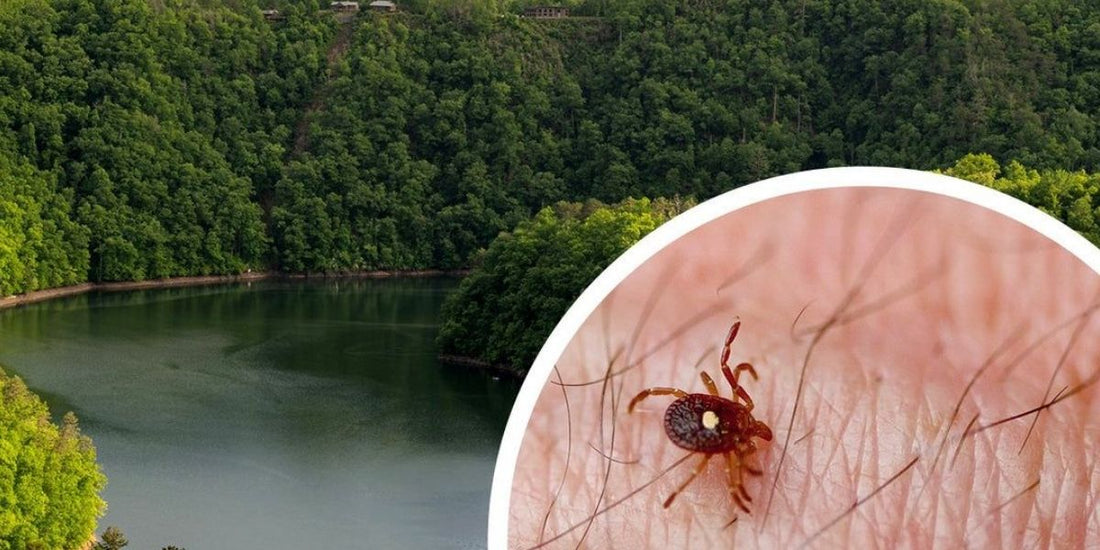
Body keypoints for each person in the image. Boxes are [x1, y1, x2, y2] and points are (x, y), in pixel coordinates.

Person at [506, 186, 1100, 548]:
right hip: (698, 420)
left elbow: (718, 398)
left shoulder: (729, 423)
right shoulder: (734, 429)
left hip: (693, 420)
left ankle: (657, 406)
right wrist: (737, 472)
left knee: (705, 400)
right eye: (750, 435)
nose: (755, 435)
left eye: (748, 435)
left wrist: (727, 454)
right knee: (712, 406)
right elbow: (726, 403)